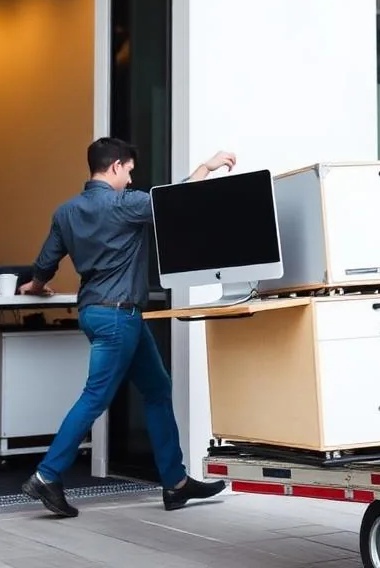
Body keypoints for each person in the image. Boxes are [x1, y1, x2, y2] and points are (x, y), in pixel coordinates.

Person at [18, 137, 237, 518]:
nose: (131, 180)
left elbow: (46, 262)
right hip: (119, 317)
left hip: (99, 313)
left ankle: (175, 483)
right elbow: (176, 201)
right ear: (116, 166)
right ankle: (46, 475)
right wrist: (207, 166)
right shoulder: (123, 204)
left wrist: (35, 286)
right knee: (95, 397)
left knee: (157, 389)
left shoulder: (66, 212)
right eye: (130, 171)